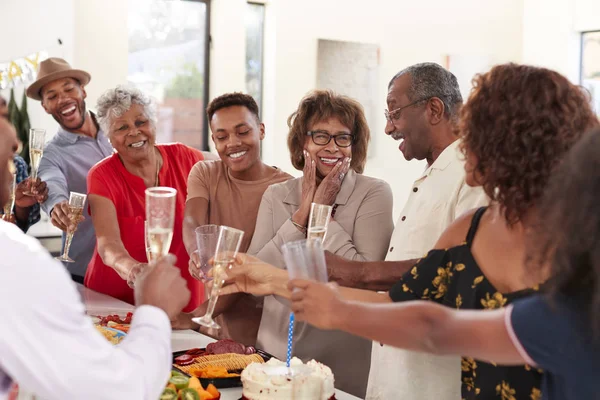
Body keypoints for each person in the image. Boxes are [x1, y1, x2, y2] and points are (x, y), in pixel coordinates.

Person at [219, 64, 599, 399]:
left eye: (475, 133)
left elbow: (433, 326)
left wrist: (334, 300)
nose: (464, 150)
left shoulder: (575, 264)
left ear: (515, 148)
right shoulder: (472, 229)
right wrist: (270, 279)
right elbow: (402, 303)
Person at [289, 127, 600, 400]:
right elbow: (414, 305)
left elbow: (433, 328)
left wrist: (339, 308)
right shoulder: (566, 307)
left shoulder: (565, 316)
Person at [319, 63, 488, 400]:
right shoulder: (431, 174)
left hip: (433, 383)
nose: (387, 127)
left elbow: (460, 270)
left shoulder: (471, 174)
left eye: (394, 114)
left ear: (434, 109)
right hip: (393, 376)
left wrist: (354, 273)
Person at [0, 116, 192, 400]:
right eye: (10, 157)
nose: (14, 169)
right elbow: (114, 390)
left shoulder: (183, 156)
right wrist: (154, 311)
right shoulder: (17, 260)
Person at [246, 90, 394, 397]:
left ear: (355, 146)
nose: (332, 147)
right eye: (321, 136)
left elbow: (364, 279)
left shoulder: (374, 193)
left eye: (343, 138)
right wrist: (302, 214)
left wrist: (322, 213)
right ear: (303, 142)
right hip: (275, 353)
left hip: (343, 359)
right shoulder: (277, 195)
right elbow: (253, 277)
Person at [84, 86, 215, 313]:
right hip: (116, 304)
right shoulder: (102, 175)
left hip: (181, 300)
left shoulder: (186, 158)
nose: (134, 132)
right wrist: (134, 270)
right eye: (122, 127)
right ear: (109, 139)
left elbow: (227, 168)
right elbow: (108, 246)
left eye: (141, 122)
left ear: (153, 124)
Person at [174, 93, 291, 345]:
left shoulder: (286, 189)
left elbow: (257, 266)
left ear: (260, 130)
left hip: (266, 333)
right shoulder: (205, 172)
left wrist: (197, 314)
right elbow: (192, 221)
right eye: (222, 136)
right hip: (214, 328)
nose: (233, 143)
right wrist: (197, 252)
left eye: (242, 132)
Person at [27, 58, 114, 282]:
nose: (63, 99)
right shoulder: (51, 154)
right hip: (86, 272)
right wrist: (57, 206)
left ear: (82, 91)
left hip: (134, 265)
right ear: (45, 106)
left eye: (68, 89)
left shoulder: (118, 127)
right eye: (52, 96)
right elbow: (51, 183)